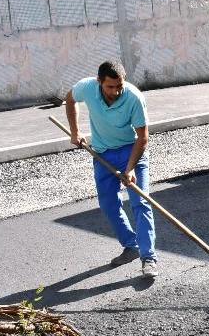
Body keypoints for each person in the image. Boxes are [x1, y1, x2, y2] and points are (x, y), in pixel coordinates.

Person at [65, 61, 159, 278]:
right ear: (99, 82)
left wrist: (131, 168)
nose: (116, 91)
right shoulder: (87, 87)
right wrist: (75, 131)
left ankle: (148, 257)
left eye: (119, 86)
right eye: (110, 87)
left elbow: (143, 138)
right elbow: (70, 99)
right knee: (108, 204)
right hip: (103, 153)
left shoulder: (134, 97)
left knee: (140, 202)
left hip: (131, 151)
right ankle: (131, 246)